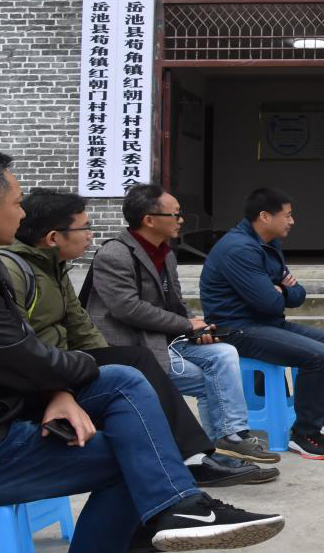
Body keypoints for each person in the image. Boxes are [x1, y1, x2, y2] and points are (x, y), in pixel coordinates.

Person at [0, 148, 283, 553]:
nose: (23, 213)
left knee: (125, 382)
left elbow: (19, 350)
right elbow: (26, 358)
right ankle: (173, 504)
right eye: (17, 203)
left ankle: (178, 504)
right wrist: (64, 376)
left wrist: (58, 389)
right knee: (135, 458)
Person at [0, 188, 277, 488]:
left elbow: (80, 325)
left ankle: (218, 445)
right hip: (53, 372)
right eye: (85, 227)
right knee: (137, 365)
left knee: (212, 356)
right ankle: (190, 461)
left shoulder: (57, 267)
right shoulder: (24, 269)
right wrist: (61, 387)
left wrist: (191, 330)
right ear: (53, 238)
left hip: (98, 356)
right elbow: (124, 309)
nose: (91, 234)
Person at [84, 184, 279, 466]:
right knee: (211, 383)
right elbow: (128, 309)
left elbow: (176, 303)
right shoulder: (115, 254)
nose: (181, 220)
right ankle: (215, 455)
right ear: (149, 220)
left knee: (224, 353)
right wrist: (186, 324)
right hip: (134, 347)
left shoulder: (166, 253)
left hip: (165, 340)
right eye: (175, 214)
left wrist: (197, 329)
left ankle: (231, 437)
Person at [202, 188, 324, 460]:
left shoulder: (269, 244)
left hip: (266, 324)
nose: (292, 221)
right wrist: (280, 292)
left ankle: (322, 416)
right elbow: (269, 302)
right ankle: (304, 435)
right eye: (287, 215)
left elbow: (297, 295)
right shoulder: (238, 249)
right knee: (318, 355)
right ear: (265, 216)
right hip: (237, 329)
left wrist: (281, 290)